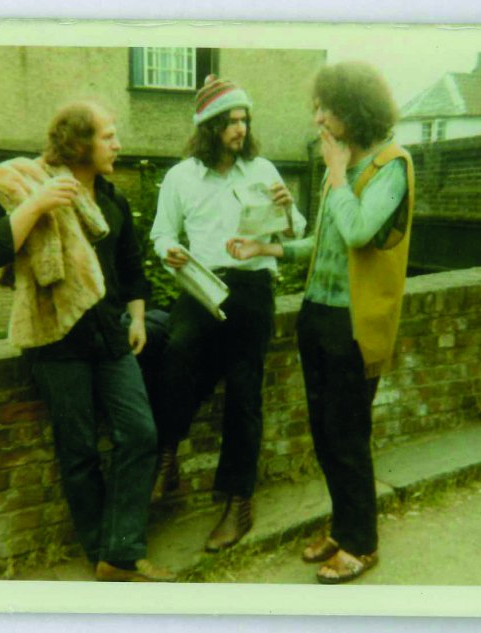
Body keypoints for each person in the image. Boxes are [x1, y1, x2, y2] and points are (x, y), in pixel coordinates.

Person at [226, 61, 415, 584]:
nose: (317, 122)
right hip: (317, 315)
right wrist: (267, 246)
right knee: (326, 434)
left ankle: (362, 543)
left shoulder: (390, 166)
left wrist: (336, 176)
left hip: (356, 323)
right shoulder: (343, 166)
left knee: (348, 434)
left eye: (324, 110)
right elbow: (324, 245)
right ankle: (343, 526)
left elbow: (357, 233)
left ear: (352, 109)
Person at [0, 101, 176, 582]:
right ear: (79, 144)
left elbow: (132, 270)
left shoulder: (112, 198)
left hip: (110, 333)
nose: (118, 144)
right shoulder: (30, 183)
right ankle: (106, 557)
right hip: (55, 339)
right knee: (80, 451)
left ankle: (119, 549)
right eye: (108, 136)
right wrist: (39, 204)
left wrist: (136, 317)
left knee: (141, 433)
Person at [150, 76, 306, 552]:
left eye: (244, 120)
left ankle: (238, 502)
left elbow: (294, 233)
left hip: (252, 288)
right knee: (175, 358)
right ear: (210, 127)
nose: (240, 129)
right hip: (201, 285)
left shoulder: (262, 169)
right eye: (230, 121)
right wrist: (171, 251)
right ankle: (166, 460)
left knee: (244, 394)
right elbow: (160, 235)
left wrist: (289, 206)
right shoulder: (180, 177)